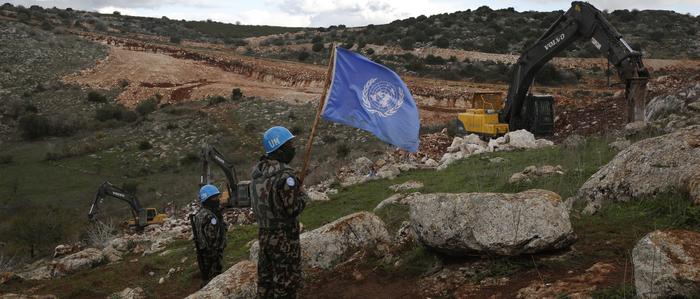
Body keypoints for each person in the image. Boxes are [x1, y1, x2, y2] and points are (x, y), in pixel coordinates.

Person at [251, 126, 307, 298]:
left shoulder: (257, 173)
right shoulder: (285, 176)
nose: (293, 148)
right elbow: (293, 209)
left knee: (266, 281)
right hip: (284, 238)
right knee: (286, 282)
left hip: (264, 235)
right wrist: (302, 194)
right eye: (289, 144)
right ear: (280, 148)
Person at [190, 184, 227, 286]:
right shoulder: (210, 217)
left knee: (208, 276)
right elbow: (212, 238)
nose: (218, 200)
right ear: (208, 200)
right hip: (211, 254)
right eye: (215, 198)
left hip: (204, 252)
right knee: (214, 279)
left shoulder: (200, 214)